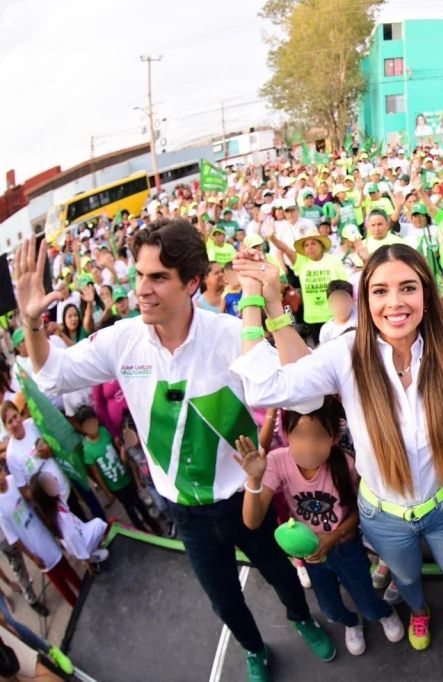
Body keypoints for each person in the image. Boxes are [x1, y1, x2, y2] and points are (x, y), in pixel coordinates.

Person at [13, 222, 334, 682]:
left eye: (158, 277)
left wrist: (272, 305)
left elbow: (304, 395)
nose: (142, 289)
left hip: (245, 497)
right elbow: (53, 375)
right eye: (140, 275)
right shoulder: (123, 339)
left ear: (191, 282)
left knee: (280, 573)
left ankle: (302, 619)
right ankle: (255, 650)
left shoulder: (229, 334)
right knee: (223, 599)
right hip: (185, 512)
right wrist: (29, 321)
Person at [230, 242, 443, 652]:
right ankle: (419, 612)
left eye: (407, 287)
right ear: (365, 300)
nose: (394, 302)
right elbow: (269, 385)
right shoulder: (346, 355)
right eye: (380, 291)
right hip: (383, 515)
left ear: (426, 293)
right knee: (406, 579)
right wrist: (251, 295)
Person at [235, 398, 405, 656]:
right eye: (299, 434)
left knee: (368, 601)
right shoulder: (279, 461)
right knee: (330, 609)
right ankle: (351, 622)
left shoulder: (346, 465)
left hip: (346, 546)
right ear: (286, 434)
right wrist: (253, 480)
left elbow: (361, 512)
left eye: (318, 436)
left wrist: (334, 536)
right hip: (312, 555)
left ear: (334, 437)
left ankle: (382, 612)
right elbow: (252, 521)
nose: (308, 446)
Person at [75, 405, 162, 535]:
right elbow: (96, 474)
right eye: (87, 425)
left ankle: (156, 528)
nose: (92, 427)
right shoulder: (87, 450)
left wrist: (130, 468)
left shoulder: (104, 432)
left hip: (125, 476)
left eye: (93, 422)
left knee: (139, 502)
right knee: (130, 508)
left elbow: (119, 449)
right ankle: (143, 532)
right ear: (82, 428)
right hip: (115, 486)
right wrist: (106, 492)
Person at [0, 470, 81, 607]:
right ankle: (75, 605)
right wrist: (32, 557)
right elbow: (13, 538)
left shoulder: (14, 480)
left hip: (45, 535)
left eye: (0, 472)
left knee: (67, 568)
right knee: (59, 583)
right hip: (34, 548)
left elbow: (35, 501)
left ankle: (84, 591)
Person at [29, 471, 109, 570]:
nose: (55, 480)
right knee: (99, 523)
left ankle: (92, 553)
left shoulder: (57, 503)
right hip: (81, 543)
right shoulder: (59, 517)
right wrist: (85, 558)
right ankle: (90, 557)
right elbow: (71, 537)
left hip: (81, 532)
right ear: (44, 494)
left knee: (102, 547)